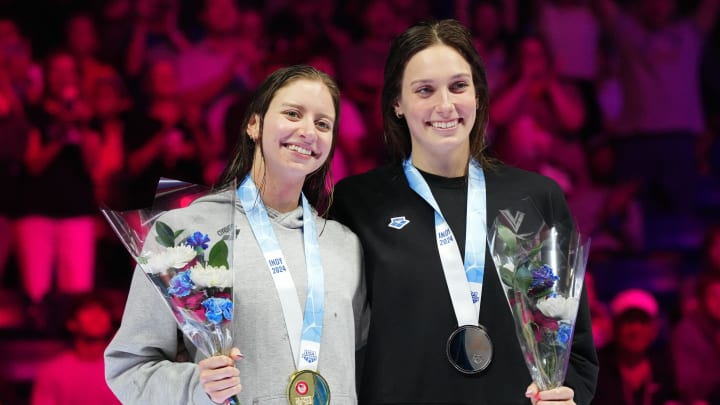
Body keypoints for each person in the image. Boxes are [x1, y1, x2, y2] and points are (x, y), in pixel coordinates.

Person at [330, 19, 598, 404]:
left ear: (478, 97)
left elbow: (575, 341)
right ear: (397, 103)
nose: (445, 105)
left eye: (459, 86)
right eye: (424, 90)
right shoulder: (358, 201)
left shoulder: (536, 197)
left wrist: (571, 395)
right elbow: (336, 334)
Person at [104, 65, 368, 404]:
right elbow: (129, 369)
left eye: (322, 124)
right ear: (253, 124)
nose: (307, 131)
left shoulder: (344, 245)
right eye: (292, 114)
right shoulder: (186, 232)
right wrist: (198, 386)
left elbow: (364, 364)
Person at [30, 292, 122, 405]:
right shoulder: (52, 371)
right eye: (88, 309)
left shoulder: (126, 370)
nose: (96, 315)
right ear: (71, 323)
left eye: (103, 310)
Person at [594, 289, 678, 405]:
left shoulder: (664, 367)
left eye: (643, 322)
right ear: (615, 326)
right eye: (629, 321)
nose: (636, 330)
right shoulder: (596, 368)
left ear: (655, 329)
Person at [671, 271, 720, 404]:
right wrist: (716, 354)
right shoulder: (686, 332)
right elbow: (688, 390)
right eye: (714, 296)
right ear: (701, 300)